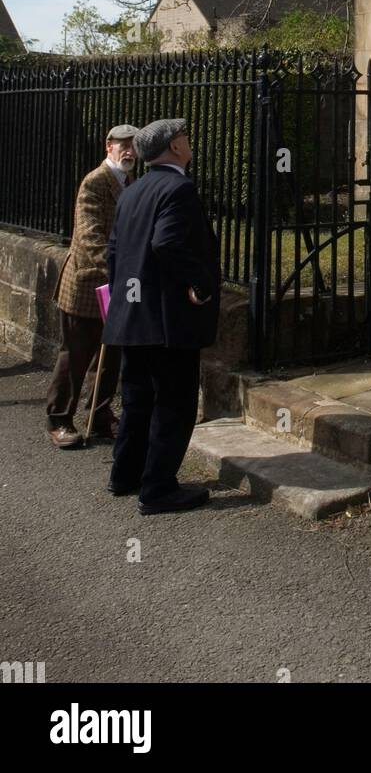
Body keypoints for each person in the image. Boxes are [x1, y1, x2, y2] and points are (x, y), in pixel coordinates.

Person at [103, 117, 220, 515]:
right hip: (167, 320)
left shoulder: (132, 192)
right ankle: (158, 489)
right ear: (174, 148)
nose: (189, 143)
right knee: (174, 402)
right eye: (185, 139)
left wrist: (122, 300)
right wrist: (199, 283)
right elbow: (166, 242)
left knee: (137, 399)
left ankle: (125, 475)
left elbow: (114, 254)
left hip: (131, 317)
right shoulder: (179, 188)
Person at [46, 124, 139, 448]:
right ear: (108, 147)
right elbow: (90, 236)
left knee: (110, 356)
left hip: (116, 284)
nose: (129, 151)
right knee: (76, 354)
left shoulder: (130, 182)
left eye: (133, 145)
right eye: (122, 145)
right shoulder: (95, 182)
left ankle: (100, 416)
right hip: (87, 284)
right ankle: (59, 419)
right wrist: (117, 269)